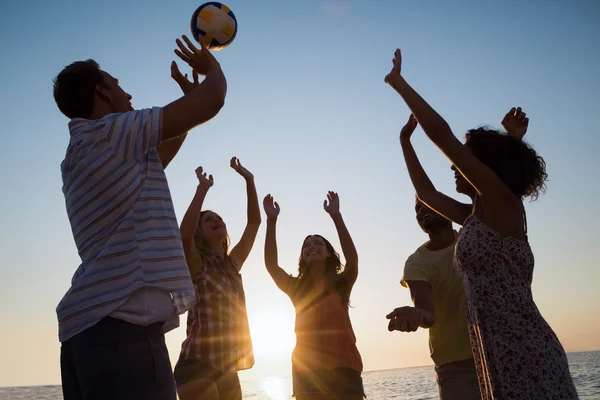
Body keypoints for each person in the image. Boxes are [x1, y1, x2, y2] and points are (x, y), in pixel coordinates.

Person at [384, 48, 578, 399]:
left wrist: (399, 84)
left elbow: (441, 134)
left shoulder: (504, 206)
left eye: (465, 157)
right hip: (493, 352)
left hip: (525, 350)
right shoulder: (479, 217)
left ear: (485, 168)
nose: (455, 164)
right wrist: (404, 142)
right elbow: (427, 193)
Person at [53, 34, 225, 400]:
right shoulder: (111, 132)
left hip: (84, 337)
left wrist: (184, 103)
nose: (128, 96)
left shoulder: (80, 155)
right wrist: (211, 69)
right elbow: (213, 99)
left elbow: (158, 155)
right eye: (118, 86)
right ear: (101, 90)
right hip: (122, 331)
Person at [386, 109, 530, 400]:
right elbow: (426, 192)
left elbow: (495, 181)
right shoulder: (421, 260)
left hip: (511, 350)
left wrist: (510, 142)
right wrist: (405, 142)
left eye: (428, 207)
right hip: (459, 367)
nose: (423, 209)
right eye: (417, 210)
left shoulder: (479, 229)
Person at [262, 192, 365, 400]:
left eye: (318, 243)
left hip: (345, 366)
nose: (312, 247)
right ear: (302, 257)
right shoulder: (296, 288)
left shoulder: (342, 283)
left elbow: (352, 260)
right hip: (306, 370)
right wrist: (271, 221)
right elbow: (272, 266)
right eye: (307, 246)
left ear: (328, 253)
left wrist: (337, 217)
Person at [175, 158, 260, 400]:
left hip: (227, 368)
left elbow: (254, 223)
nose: (217, 220)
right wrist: (202, 190)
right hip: (196, 362)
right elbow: (184, 236)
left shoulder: (232, 265)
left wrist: (249, 180)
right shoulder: (197, 262)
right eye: (208, 219)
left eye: (219, 217)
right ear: (201, 233)